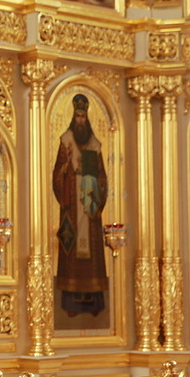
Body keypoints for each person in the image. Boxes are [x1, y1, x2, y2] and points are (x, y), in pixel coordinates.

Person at [52, 93, 108, 317]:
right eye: (77, 116)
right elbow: (57, 172)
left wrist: (96, 187)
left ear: (87, 118)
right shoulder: (65, 140)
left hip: (89, 204)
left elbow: (102, 176)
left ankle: (94, 303)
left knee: (91, 250)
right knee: (71, 248)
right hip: (72, 204)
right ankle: (71, 305)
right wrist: (65, 170)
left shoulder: (95, 144)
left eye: (83, 116)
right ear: (73, 118)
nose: (81, 120)